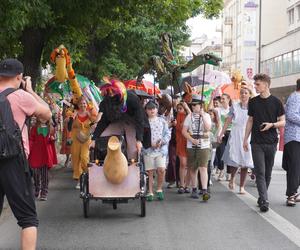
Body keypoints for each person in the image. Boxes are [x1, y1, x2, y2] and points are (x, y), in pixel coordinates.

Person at [0, 58, 51, 249]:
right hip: (14, 161)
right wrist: (30, 90)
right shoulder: (21, 96)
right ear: (19, 76)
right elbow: (47, 114)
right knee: (28, 218)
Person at [243, 73, 285, 212]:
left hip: (271, 142)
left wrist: (271, 125)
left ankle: (262, 196)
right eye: (255, 84)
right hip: (256, 143)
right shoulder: (253, 102)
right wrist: (245, 139)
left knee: (267, 173)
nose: (255, 86)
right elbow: (250, 121)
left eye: (258, 84)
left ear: (266, 84)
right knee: (260, 172)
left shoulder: (276, 102)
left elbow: (283, 121)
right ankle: (265, 200)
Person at [219, 86, 253, 194]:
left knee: (245, 161)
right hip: (235, 134)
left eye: (246, 93)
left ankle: (242, 186)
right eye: (242, 93)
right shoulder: (234, 106)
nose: (243, 95)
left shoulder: (253, 107)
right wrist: (221, 133)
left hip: (247, 135)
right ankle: (232, 178)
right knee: (234, 159)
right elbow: (228, 121)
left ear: (249, 95)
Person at [182, 95, 212, 201]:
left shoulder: (207, 116)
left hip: (204, 145)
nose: (194, 107)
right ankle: (194, 188)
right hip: (191, 144)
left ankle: (204, 189)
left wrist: (202, 115)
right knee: (193, 167)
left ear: (201, 105)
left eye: (196, 105)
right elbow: (184, 131)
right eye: (192, 105)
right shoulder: (189, 117)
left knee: (203, 167)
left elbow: (208, 128)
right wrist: (191, 140)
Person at [143, 101, 171, 201]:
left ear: (157, 109)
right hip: (148, 150)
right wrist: (151, 144)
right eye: (149, 109)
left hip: (161, 150)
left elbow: (168, 134)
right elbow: (141, 137)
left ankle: (159, 189)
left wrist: (162, 142)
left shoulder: (162, 121)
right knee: (150, 172)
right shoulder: (144, 122)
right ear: (146, 110)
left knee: (161, 169)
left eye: (153, 108)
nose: (152, 110)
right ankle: (150, 191)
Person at [29, 118, 57, 201]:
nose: (42, 118)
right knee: (35, 173)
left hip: (46, 153)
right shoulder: (34, 128)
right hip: (36, 153)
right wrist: (28, 150)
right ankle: (37, 188)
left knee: (45, 174)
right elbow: (31, 139)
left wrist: (53, 139)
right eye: (41, 116)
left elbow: (52, 139)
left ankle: (44, 192)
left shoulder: (50, 128)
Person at [70, 96, 95, 189]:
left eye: (84, 103)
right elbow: (69, 126)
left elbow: (95, 124)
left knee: (84, 158)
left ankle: (87, 175)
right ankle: (80, 180)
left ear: (87, 104)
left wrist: (91, 121)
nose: (83, 105)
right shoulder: (74, 114)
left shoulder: (89, 114)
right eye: (81, 103)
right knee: (76, 159)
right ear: (78, 105)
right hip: (76, 139)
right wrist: (71, 118)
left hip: (86, 139)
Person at [282, 79, 300, 206]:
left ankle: (294, 192)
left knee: (297, 167)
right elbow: (291, 115)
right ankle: (291, 194)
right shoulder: (295, 97)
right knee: (294, 167)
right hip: (294, 137)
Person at [176, 101, 191, 194]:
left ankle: (187, 185)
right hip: (181, 142)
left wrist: (187, 108)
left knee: (189, 165)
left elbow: (191, 116)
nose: (179, 110)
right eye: (178, 109)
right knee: (183, 163)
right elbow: (181, 127)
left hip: (189, 141)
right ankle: (182, 184)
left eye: (181, 108)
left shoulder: (190, 115)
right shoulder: (179, 116)